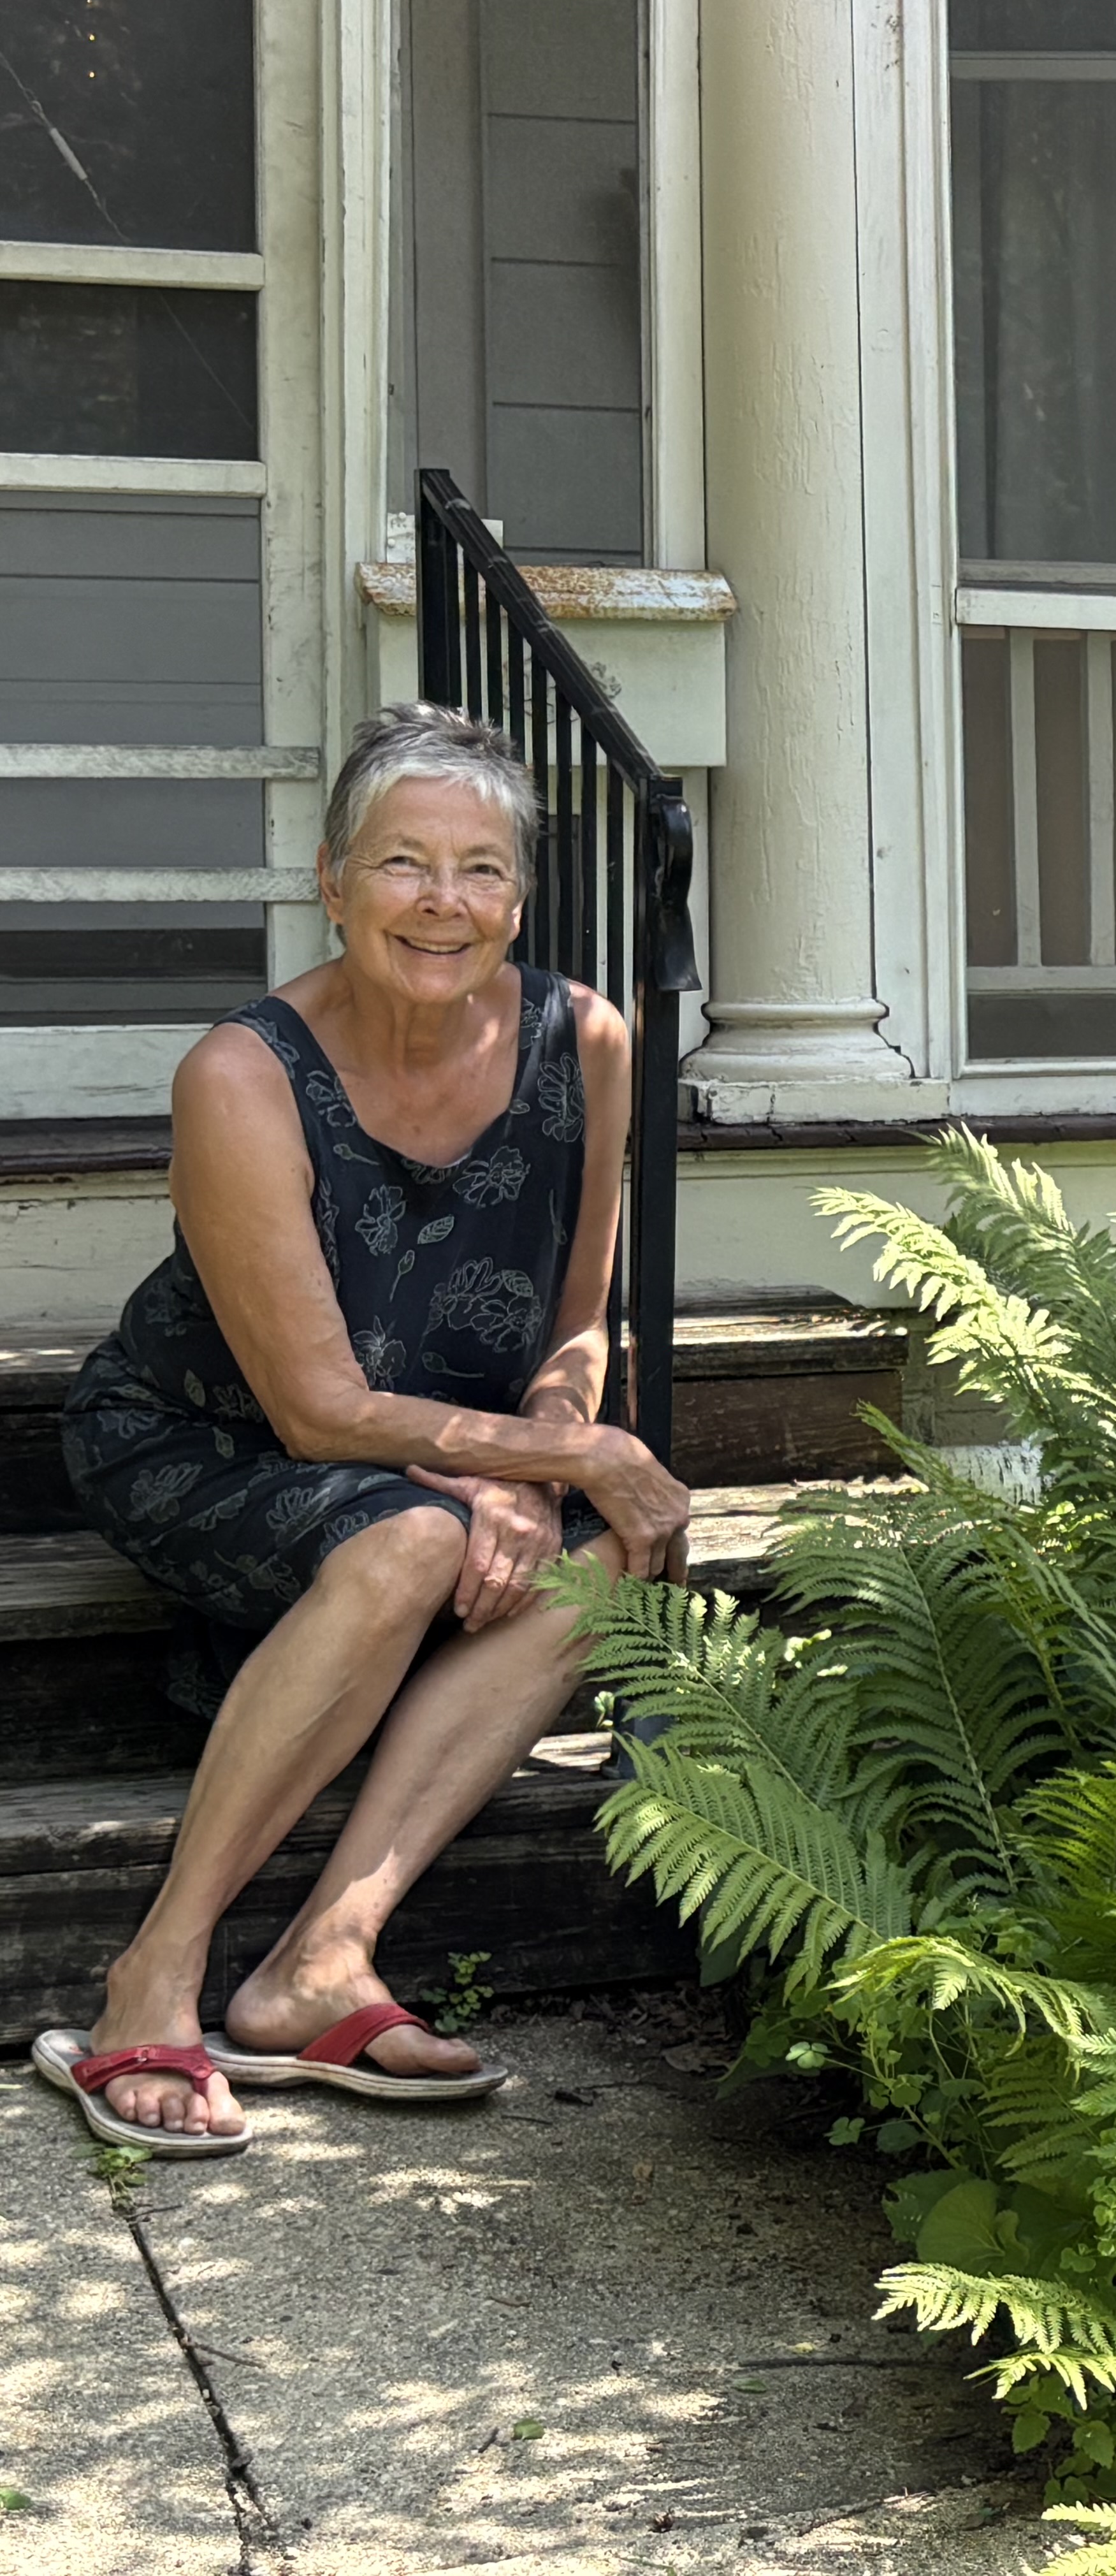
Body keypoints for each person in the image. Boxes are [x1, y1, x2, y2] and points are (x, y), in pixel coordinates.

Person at [30, 704, 689, 2155]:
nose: (443, 901)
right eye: (403, 863)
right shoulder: (242, 1073)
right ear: (332, 882)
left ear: (520, 896)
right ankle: (155, 1974)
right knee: (408, 1545)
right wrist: (555, 1459)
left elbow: (578, 1323)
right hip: (204, 1436)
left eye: (481, 869)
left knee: (605, 1557)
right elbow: (315, 1409)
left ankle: (320, 1960)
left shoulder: (586, 1039)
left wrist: (538, 1468)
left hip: (438, 1453)